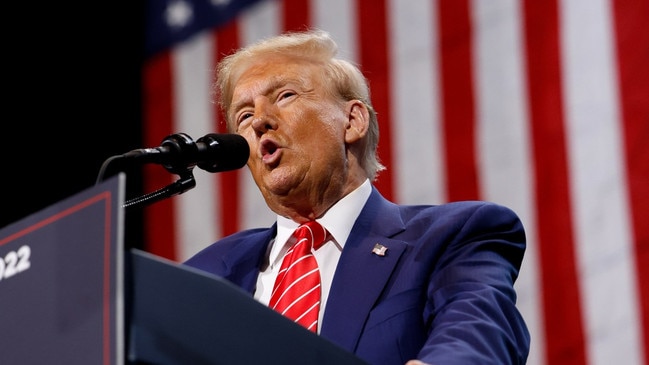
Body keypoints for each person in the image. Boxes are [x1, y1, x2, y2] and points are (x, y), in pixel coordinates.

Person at [184, 29, 530, 365]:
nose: (259, 121)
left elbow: (479, 333)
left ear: (352, 121)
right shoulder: (206, 274)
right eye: (244, 115)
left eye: (285, 96)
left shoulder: (449, 237)